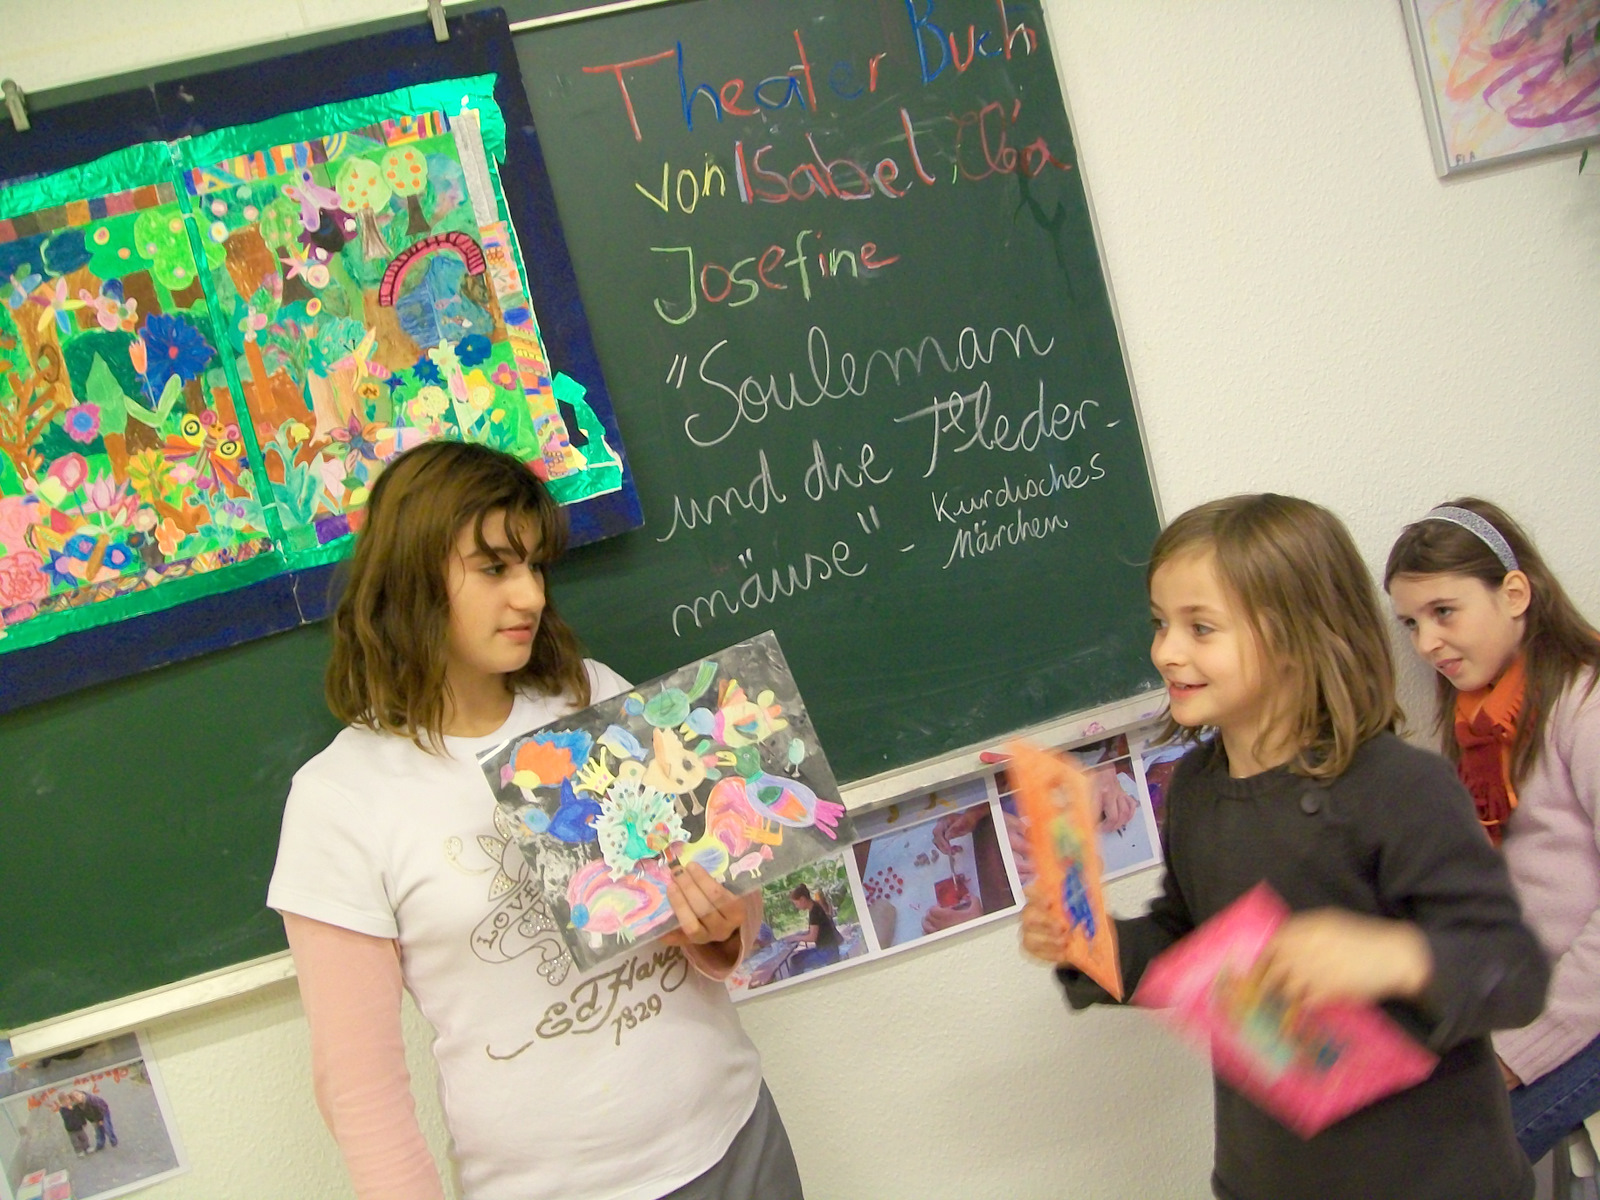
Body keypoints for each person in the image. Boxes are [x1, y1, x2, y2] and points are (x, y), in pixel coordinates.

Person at [268, 441, 802, 1200]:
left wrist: (721, 924)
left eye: (535, 566)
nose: (531, 597)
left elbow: (715, 887)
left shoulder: (591, 695)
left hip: (732, 1141)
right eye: (494, 569)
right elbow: (361, 1088)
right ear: (413, 577)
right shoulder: (339, 799)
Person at [1021, 493, 1549, 1200]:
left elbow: (1513, 970)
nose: (1165, 651)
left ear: (1298, 640)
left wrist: (1394, 957)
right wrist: (1088, 944)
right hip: (1267, 1176)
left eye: (1201, 628)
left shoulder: (1400, 788)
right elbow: (1189, 945)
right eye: (1160, 623)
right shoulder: (1196, 788)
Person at [1387, 498, 1600, 1165]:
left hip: (1582, 1010)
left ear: (1514, 594)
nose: (1426, 645)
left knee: (1447, 1167)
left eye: (1444, 613)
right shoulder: (1476, 725)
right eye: (1411, 623)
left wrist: (1513, 1053)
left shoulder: (1585, 706)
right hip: (1531, 996)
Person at [787, 885, 841, 971]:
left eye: (796, 904)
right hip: (827, 948)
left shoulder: (814, 912)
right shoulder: (815, 907)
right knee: (795, 958)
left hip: (828, 952)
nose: (796, 907)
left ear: (802, 899)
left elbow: (812, 937)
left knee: (796, 963)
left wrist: (795, 938)